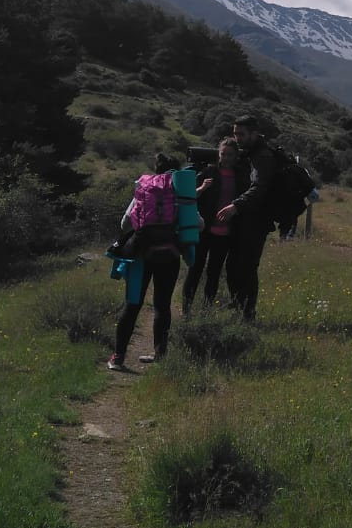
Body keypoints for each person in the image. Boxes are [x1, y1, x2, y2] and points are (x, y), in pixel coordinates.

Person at [215, 114, 297, 321]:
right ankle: (239, 309)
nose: (238, 138)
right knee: (234, 267)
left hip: (256, 221)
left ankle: (247, 314)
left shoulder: (262, 157)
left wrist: (236, 205)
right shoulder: (250, 153)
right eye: (235, 134)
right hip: (246, 220)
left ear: (254, 133)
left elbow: (259, 187)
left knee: (246, 268)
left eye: (241, 134)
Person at [108, 153, 183, 369]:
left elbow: (125, 223)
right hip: (169, 257)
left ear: (156, 168)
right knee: (162, 306)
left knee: (132, 305)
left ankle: (118, 357)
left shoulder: (144, 188)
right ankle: (160, 355)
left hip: (142, 255)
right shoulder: (180, 192)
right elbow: (197, 225)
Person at [183, 137, 241, 314]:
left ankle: (206, 310)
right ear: (219, 154)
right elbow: (188, 195)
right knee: (195, 270)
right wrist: (202, 188)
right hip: (204, 230)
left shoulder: (241, 176)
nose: (226, 158)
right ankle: (186, 310)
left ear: (236, 156)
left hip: (225, 232)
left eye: (230, 155)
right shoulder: (209, 171)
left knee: (214, 273)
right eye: (223, 154)